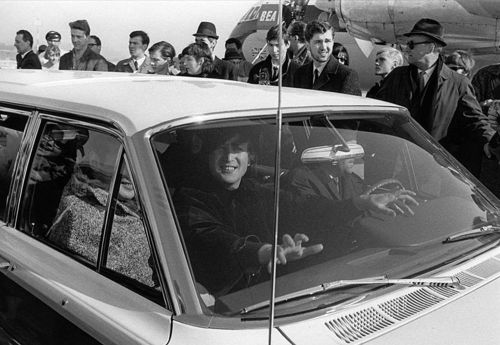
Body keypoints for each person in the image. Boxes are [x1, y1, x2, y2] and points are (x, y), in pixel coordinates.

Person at [172, 126, 417, 296]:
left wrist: (359, 203)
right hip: (218, 296)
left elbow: (307, 206)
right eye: (220, 149)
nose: (229, 157)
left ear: (250, 156)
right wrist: (265, 251)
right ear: (208, 155)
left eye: (237, 148)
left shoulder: (257, 190)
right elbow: (214, 238)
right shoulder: (190, 196)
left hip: (272, 291)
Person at [375, 18, 493, 178]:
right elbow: (378, 114)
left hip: (436, 171)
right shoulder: (396, 77)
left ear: (431, 47)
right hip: (398, 166)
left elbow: (474, 120)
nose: (405, 49)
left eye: (411, 44)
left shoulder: (458, 84)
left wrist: (490, 139)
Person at [293, 21, 361, 96]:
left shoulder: (346, 76)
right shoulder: (300, 74)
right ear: (308, 45)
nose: (324, 47)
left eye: (327, 41)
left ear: (332, 42)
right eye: (318, 42)